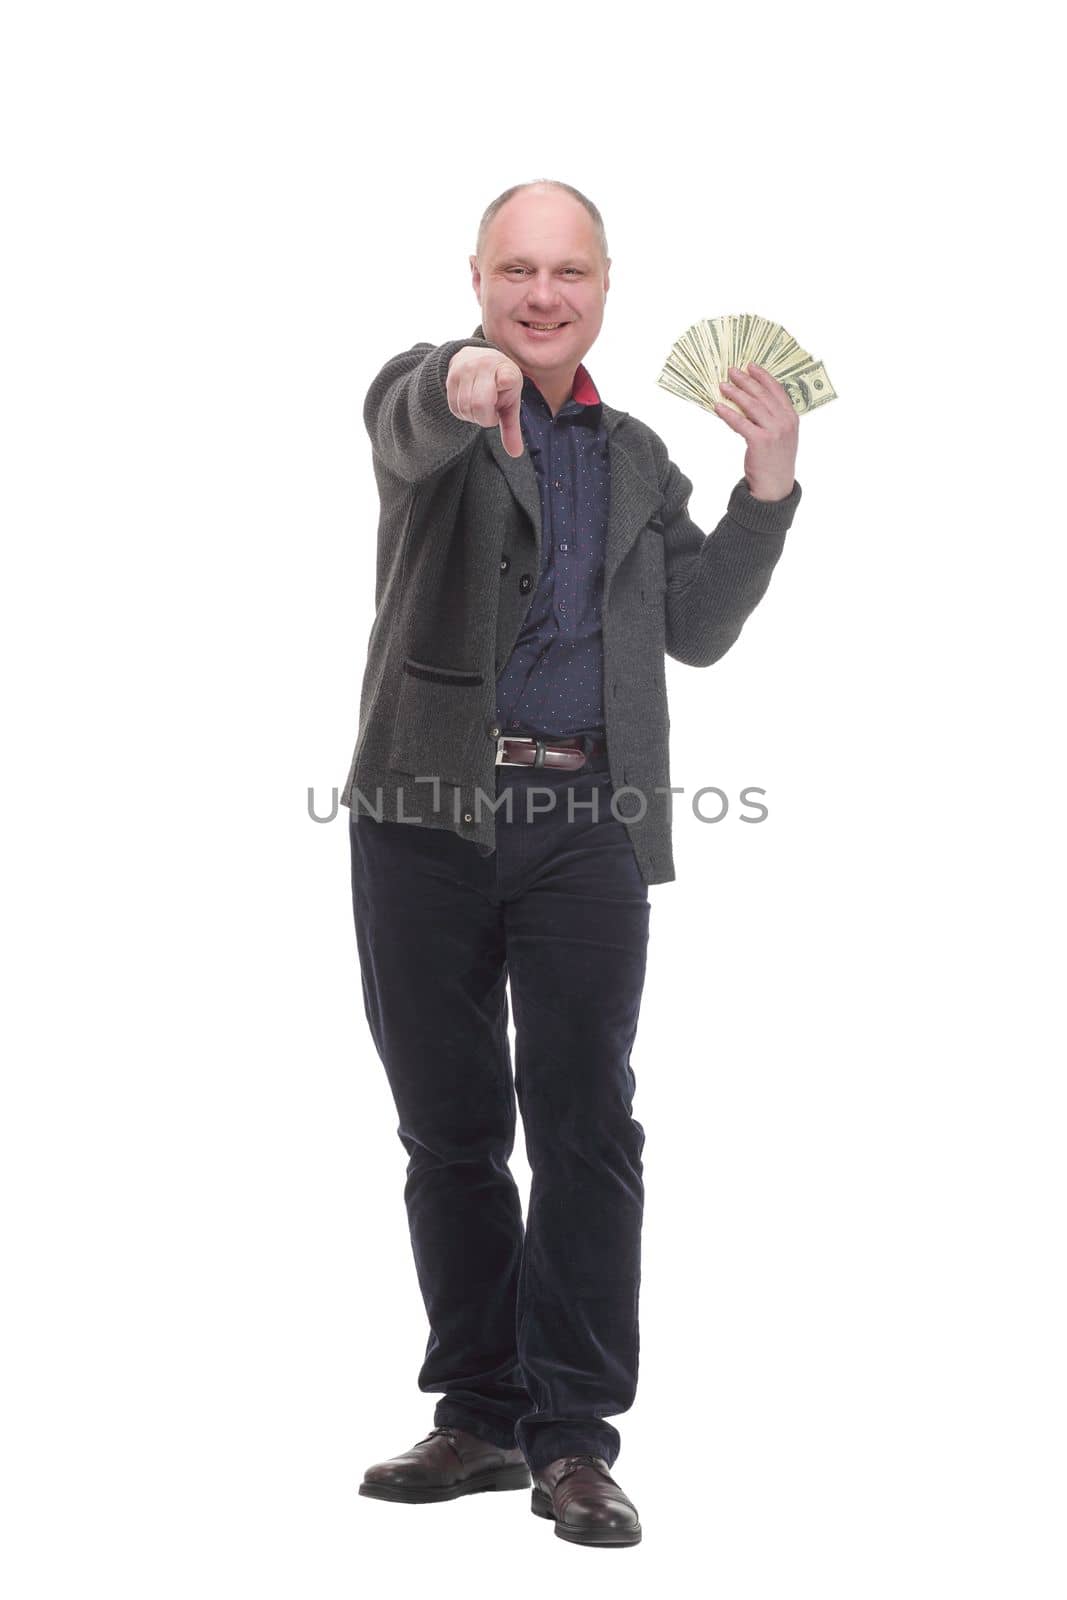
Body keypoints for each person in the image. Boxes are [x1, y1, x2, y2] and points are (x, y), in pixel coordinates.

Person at [343, 179, 802, 1548]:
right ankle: (480, 1411)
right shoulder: (430, 402)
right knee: (451, 1128)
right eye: (517, 271)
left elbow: (700, 628)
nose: (543, 296)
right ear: (478, 278)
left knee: (586, 1126)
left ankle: (575, 1438)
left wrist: (765, 486)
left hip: (585, 824)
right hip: (420, 814)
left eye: (569, 274)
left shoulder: (638, 457)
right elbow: (409, 415)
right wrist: (457, 375)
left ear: (605, 286)